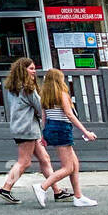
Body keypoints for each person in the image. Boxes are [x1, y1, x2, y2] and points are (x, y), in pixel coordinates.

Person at [0, 59, 70, 204]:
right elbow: (40, 105)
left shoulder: (13, 89)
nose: (34, 71)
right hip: (28, 129)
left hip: (21, 128)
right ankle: (6, 188)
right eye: (31, 68)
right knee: (24, 162)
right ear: (23, 70)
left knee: (45, 159)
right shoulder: (28, 89)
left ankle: (57, 191)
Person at [31, 68, 98, 207]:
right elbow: (69, 114)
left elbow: (44, 117)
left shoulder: (45, 96)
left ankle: (78, 196)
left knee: (75, 163)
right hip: (62, 129)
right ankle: (42, 187)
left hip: (51, 128)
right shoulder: (62, 94)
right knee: (68, 167)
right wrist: (85, 132)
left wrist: (44, 134)